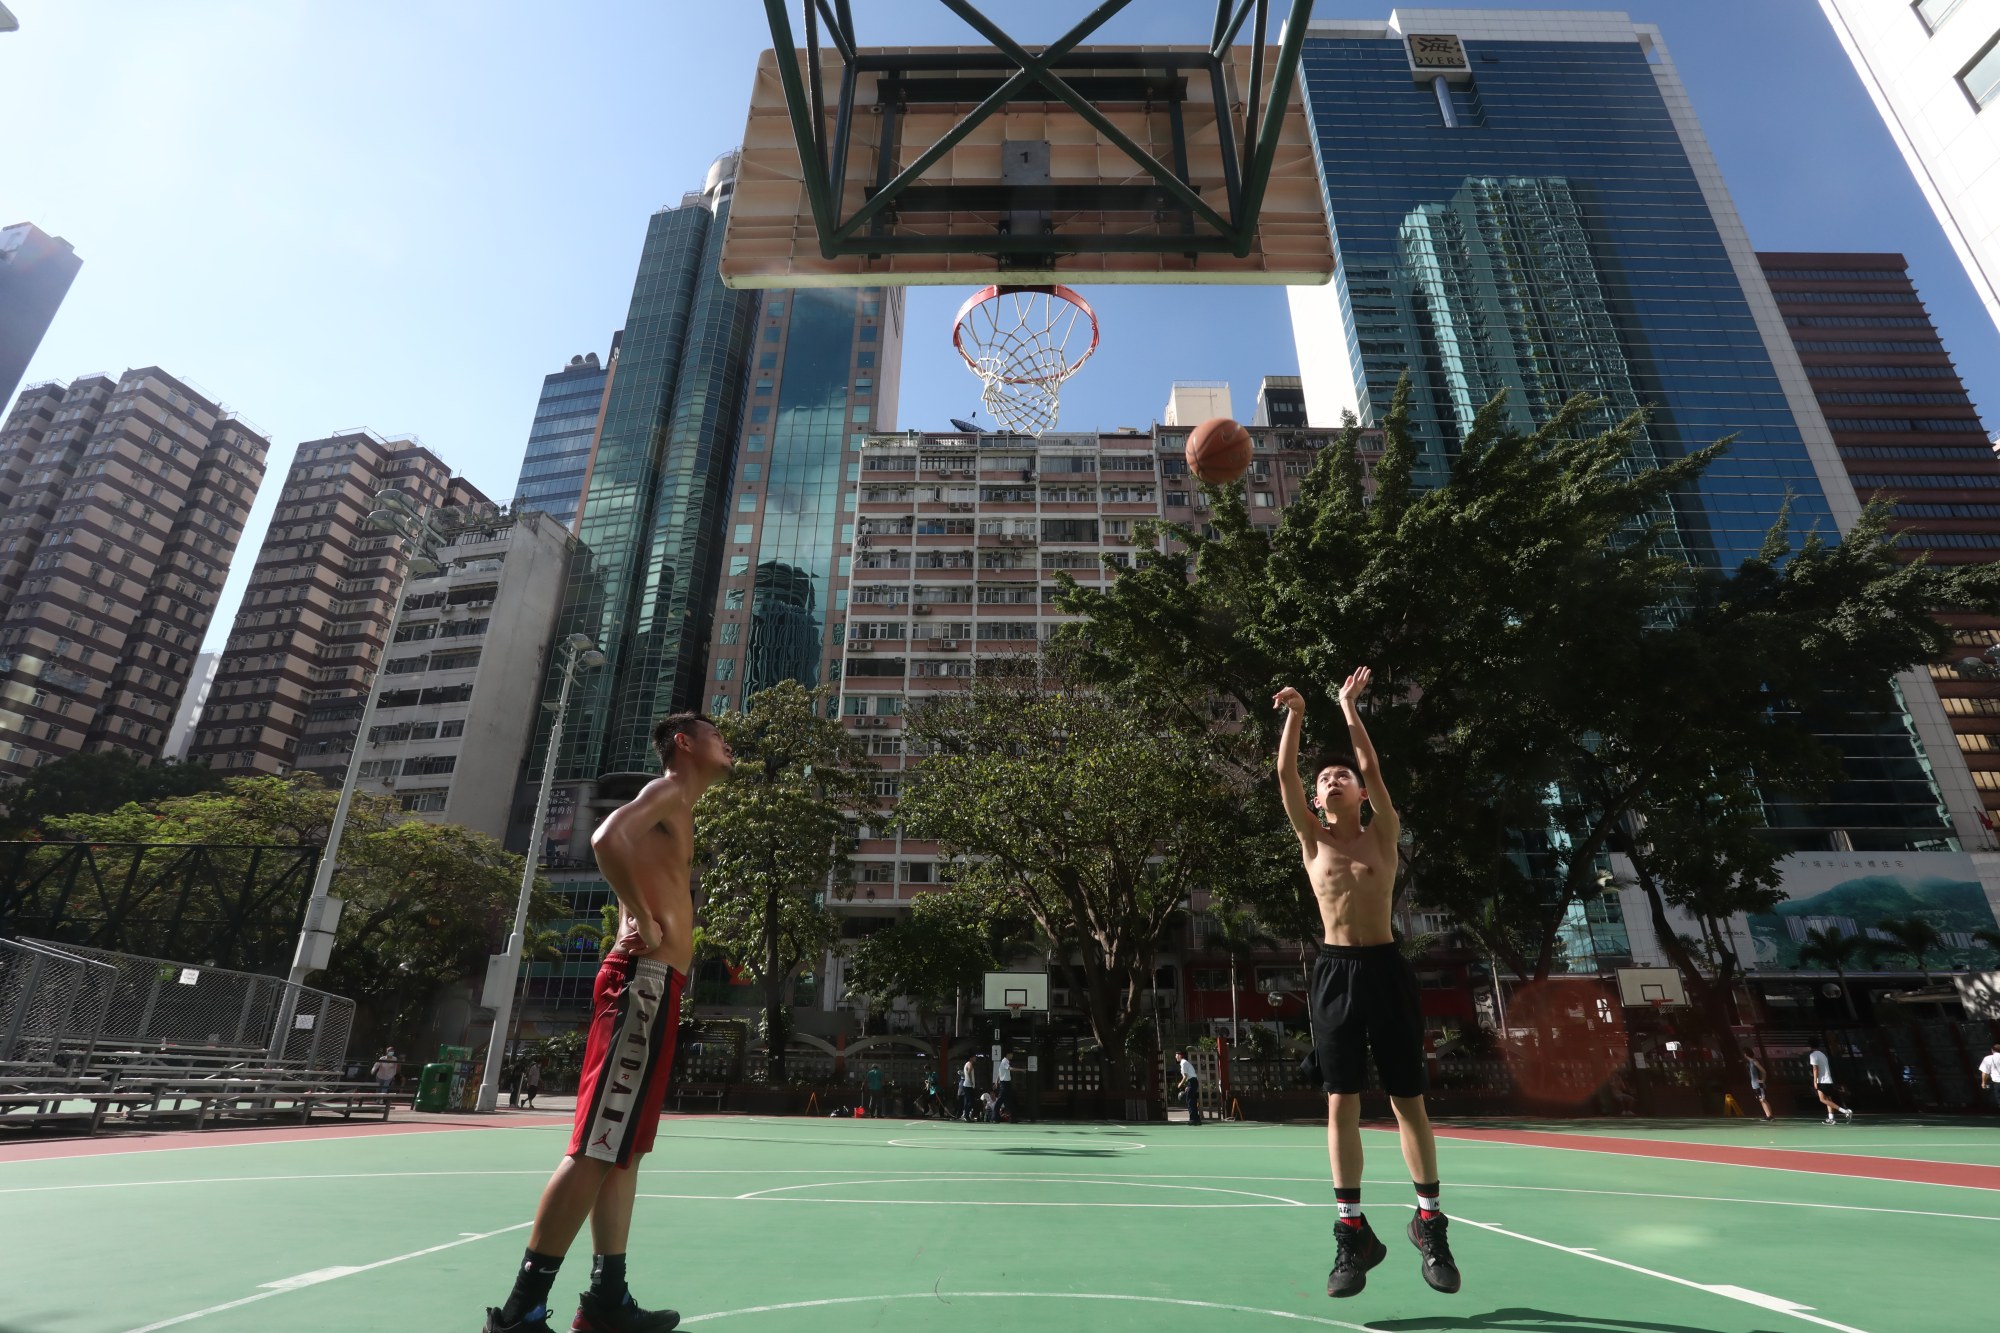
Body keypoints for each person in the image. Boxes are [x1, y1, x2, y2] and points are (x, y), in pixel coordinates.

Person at [482, 712, 733, 1333]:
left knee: (622, 1153)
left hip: (657, 986)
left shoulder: (678, 805)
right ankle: (521, 1310)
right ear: (684, 743)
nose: (726, 743)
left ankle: (606, 1300)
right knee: (599, 1145)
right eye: (715, 734)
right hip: (640, 983)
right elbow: (604, 838)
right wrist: (648, 923)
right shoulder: (668, 789)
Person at [1276, 673, 1460, 1300]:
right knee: (1341, 1101)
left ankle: (1429, 1220)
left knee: (1409, 1100)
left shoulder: (1383, 833)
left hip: (1386, 968)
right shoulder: (1312, 839)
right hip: (1333, 972)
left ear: (1361, 794)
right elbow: (1284, 780)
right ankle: (1352, 1231)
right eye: (1325, 777)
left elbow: (1374, 767)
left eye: (1342, 775)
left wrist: (1347, 708)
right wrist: (1296, 716)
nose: (1332, 779)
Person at [1807, 1040, 1854, 1124]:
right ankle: (1831, 1119)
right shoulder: (1823, 1055)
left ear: (1810, 1046)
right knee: (1828, 1099)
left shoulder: (1813, 1055)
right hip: (1829, 1080)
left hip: (1821, 1081)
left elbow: (1815, 1069)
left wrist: (1815, 1081)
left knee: (1822, 1099)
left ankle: (1845, 1111)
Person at [1743, 1046, 1774, 1122]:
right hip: (1755, 1085)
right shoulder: (1751, 1062)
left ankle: (1769, 1116)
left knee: (1763, 1100)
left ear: (1746, 1054)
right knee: (1761, 1100)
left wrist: (1763, 1080)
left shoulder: (1754, 1061)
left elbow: (1763, 1071)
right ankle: (1768, 1116)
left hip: (1758, 1085)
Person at [1174, 1049, 1202, 1125]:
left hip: (1192, 1081)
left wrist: (1180, 1084)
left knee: (1190, 1101)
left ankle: (1192, 1119)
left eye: (1176, 1055)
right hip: (1193, 1081)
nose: (1175, 1057)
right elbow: (1189, 1075)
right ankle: (1197, 1119)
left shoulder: (1183, 1063)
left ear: (1180, 1055)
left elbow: (1185, 1076)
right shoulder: (1185, 1063)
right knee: (1193, 1100)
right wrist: (1188, 1085)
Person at [1978, 1042, 2000, 1113]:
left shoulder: (1988, 1058)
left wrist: (1983, 1082)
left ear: (1992, 1050)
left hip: (1997, 1082)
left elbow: (1985, 1072)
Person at [995, 1051, 1015, 1122]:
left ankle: (1012, 1118)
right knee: (1000, 1101)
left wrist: (996, 1081)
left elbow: (1000, 1072)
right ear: (1008, 1054)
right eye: (1011, 1054)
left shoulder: (1005, 1061)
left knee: (1009, 1101)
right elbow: (1011, 1069)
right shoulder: (1004, 1062)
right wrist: (1022, 1070)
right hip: (1004, 1084)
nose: (1012, 1055)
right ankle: (995, 1118)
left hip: (1006, 1083)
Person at [959, 1056, 978, 1122]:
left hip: (967, 1085)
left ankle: (966, 1115)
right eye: (974, 1057)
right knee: (971, 1101)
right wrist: (971, 1081)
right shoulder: (970, 1064)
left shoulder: (967, 1064)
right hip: (968, 1085)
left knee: (968, 1101)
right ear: (971, 1057)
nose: (975, 1058)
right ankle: (966, 1115)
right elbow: (969, 1072)